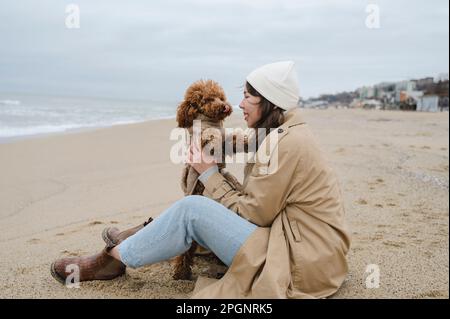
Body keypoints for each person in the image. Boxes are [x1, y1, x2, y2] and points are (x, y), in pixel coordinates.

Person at [50, 61, 350, 298]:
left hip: (299, 262)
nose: (239, 104)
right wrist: (212, 149)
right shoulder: (284, 132)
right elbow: (243, 144)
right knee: (203, 207)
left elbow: (253, 214)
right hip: (315, 252)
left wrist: (208, 172)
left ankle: (113, 259)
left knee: (193, 208)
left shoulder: (284, 143)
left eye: (247, 96)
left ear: (269, 101)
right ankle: (141, 236)